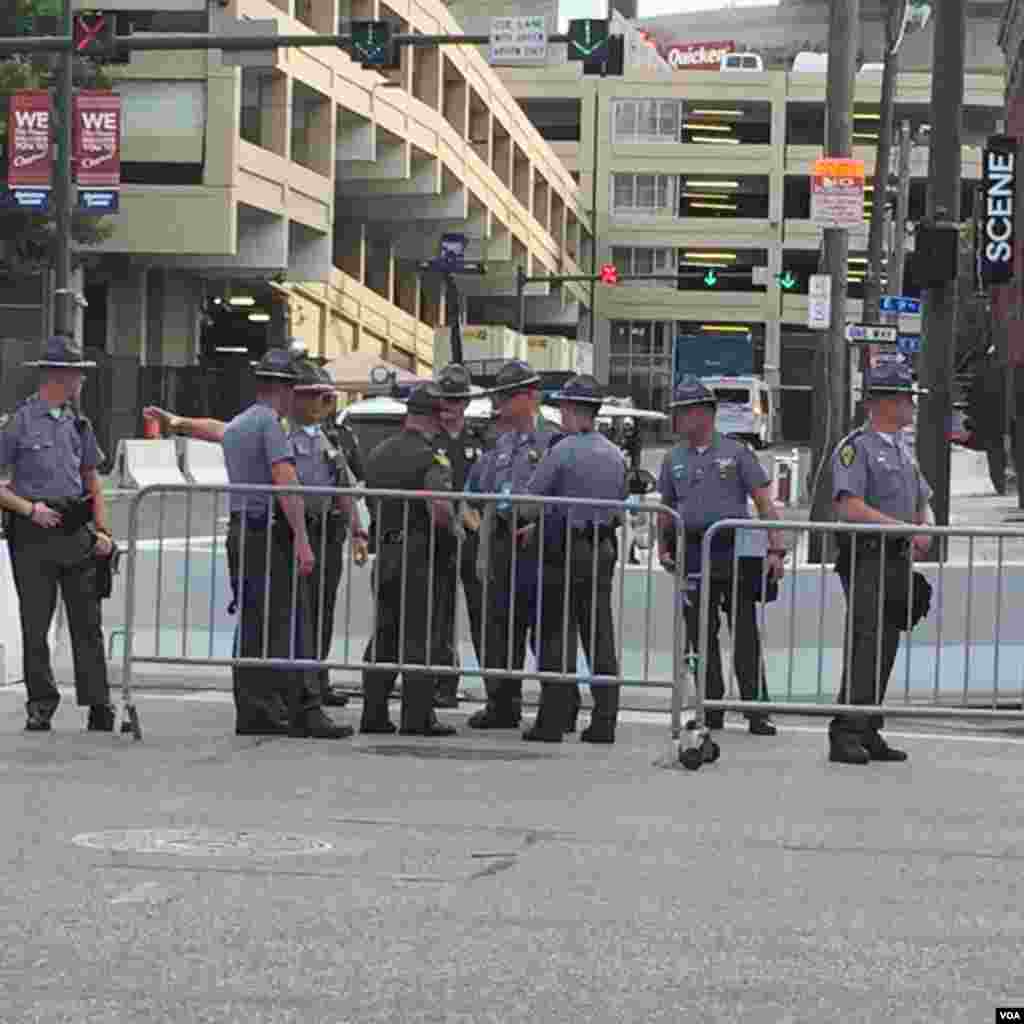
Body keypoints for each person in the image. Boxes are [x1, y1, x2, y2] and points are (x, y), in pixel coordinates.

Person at [144, 361, 369, 711]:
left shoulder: (329, 437)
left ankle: (304, 686)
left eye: (327, 397)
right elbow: (231, 437)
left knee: (310, 616)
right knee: (282, 620)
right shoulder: (273, 428)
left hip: (318, 530)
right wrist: (178, 423)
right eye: (314, 395)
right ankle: (285, 698)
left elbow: (342, 483)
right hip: (287, 530)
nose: (323, 404)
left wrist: (357, 528)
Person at [220, 348, 352, 739]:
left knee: (253, 626)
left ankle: (256, 709)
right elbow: (286, 483)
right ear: (284, 388)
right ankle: (303, 711)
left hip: (242, 528)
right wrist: (303, 540)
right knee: (291, 623)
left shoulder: (239, 424)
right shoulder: (271, 427)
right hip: (268, 531)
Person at [657, 376, 785, 736]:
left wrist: (775, 548)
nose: (678, 419)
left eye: (683, 412)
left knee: (744, 631)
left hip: (736, 551)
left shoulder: (737, 453)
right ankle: (708, 707)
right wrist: (662, 545)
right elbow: (666, 507)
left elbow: (764, 503)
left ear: (704, 413)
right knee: (701, 634)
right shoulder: (673, 459)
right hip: (695, 552)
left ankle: (756, 709)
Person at [0, 334, 115, 732]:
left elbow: (92, 480)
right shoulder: (17, 423)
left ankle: (99, 703)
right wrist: (29, 509)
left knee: (88, 623)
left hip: (74, 530)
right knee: (36, 623)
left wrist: (103, 530)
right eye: (77, 374)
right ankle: (41, 704)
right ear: (58, 376)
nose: (81, 381)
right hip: (33, 534)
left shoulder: (78, 424)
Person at [828, 362, 934, 765]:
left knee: (885, 644)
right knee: (866, 642)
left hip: (897, 560)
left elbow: (925, 498)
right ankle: (846, 731)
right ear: (886, 403)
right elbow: (849, 506)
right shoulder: (857, 448)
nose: (912, 406)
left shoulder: (902, 450)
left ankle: (869, 727)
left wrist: (927, 528)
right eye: (907, 398)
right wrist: (909, 529)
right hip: (867, 556)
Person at [524, 375, 628, 743]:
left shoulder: (562, 451)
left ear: (571, 410)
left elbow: (531, 498)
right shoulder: (615, 454)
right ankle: (605, 720)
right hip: (601, 549)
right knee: (599, 635)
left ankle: (553, 720)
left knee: (556, 636)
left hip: (563, 548)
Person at [360, 382, 459, 736]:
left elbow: (371, 502)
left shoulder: (379, 452)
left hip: (386, 550)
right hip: (419, 553)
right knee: (419, 636)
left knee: (384, 634)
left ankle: (373, 713)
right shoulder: (432, 456)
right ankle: (417, 717)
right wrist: (458, 530)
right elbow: (439, 508)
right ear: (434, 418)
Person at [468, 359, 560, 731]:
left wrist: (540, 524)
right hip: (505, 539)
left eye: (508, 397)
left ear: (530, 397)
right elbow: (481, 497)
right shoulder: (500, 444)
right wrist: (482, 545)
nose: (501, 405)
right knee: (500, 629)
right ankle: (502, 704)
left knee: (546, 631)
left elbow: (562, 496)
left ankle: (556, 709)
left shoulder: (553, 440)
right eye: (499, 398)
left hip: (540, 542)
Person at [429, 362, 485, 708]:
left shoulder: (479, 441)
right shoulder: (428, 439)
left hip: (475, 540)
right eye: (445, 401)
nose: (450, 408)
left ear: (465, 402)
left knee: (483, 614)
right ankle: (443, 684)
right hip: (438, 538)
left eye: (456, 401)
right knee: (439, 613)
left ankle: (496, 688)